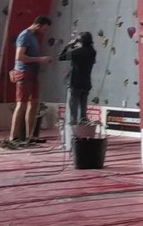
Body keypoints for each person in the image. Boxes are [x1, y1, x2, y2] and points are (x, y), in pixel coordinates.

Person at [7, 15, 51, 147]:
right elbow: (19, 57)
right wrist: (40, 60)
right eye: (44, 29)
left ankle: (30, 135)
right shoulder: (25, 36)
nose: (44, 32)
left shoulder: (33, 37)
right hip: (24, 73)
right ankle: (13, 136)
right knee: (21, 104)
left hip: (33, 73)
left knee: (33, 104)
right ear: (38, 25)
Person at [58, 31, 96, 128]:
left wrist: (68, 46)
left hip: (75, 83)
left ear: (80, 40)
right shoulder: (92, 52)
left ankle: (73, 130)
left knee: (73, 111)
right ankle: (82, 131)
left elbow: (61, 57)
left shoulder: (77, 52)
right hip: (86, 83)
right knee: (83, 111)